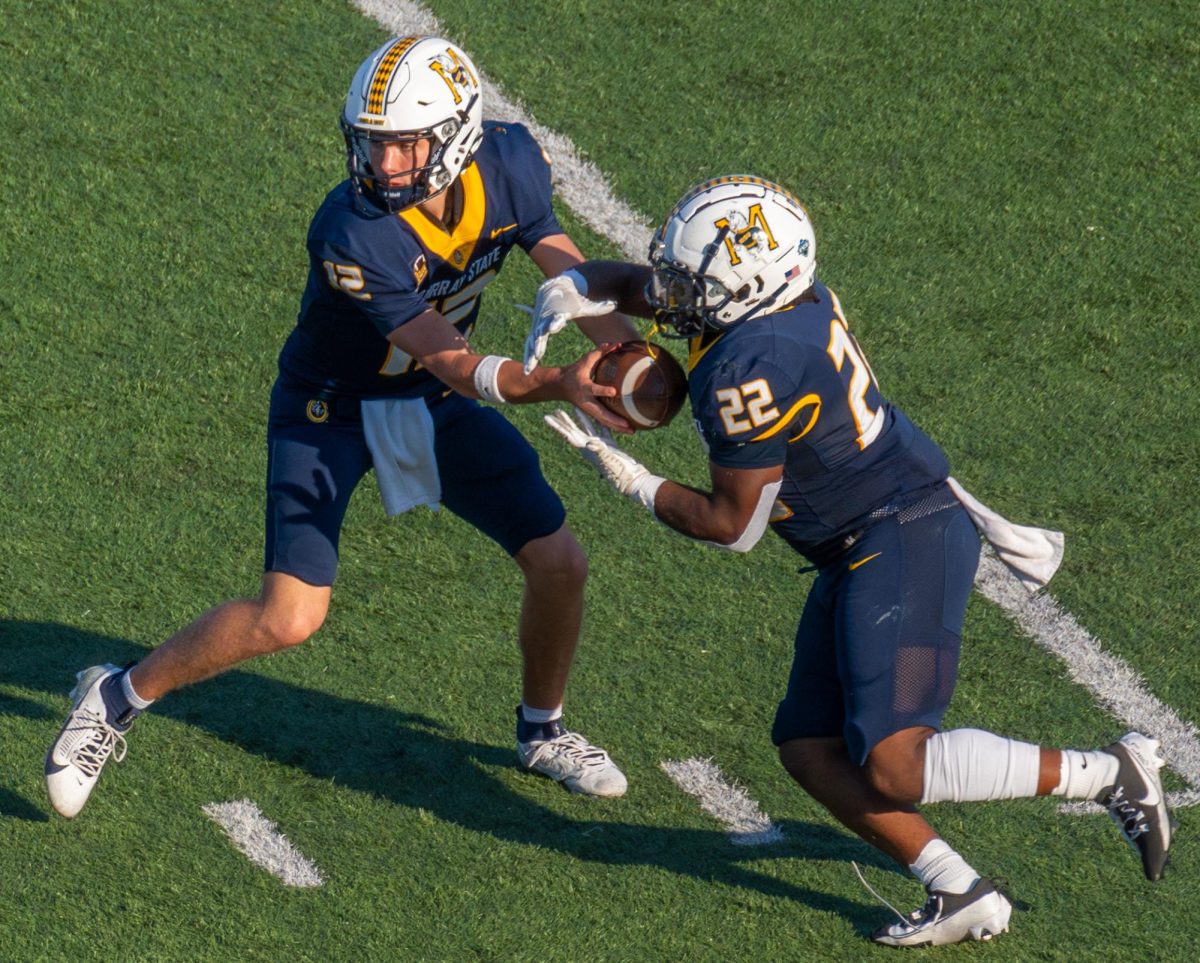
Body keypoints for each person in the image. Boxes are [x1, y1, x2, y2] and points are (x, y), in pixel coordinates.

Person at [524, 175, 1174, 947]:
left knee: (896, 763)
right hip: (865, 536)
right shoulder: (768, 305)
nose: (672, 290)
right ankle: (957, 888)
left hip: (901, 532)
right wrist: (573, 283)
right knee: (811, 746)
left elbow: (734, 525)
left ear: (748, 287)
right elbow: (637, 285)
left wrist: (635, 481)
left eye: (692, 280)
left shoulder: (749, 367)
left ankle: (1109, 771)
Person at [45, 35, 639, 820]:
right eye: (372, 143)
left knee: (560, 562)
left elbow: (568, 272)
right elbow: (458, 362)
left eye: (402, 145)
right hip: (333, 411)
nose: (383, 164)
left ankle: (542, 731)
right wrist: (560, 383)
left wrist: (627, 359)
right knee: (289, 616)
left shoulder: (512, 163)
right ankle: (115, 696)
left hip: (417, 409)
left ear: (456, 137)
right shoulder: (353, 230)